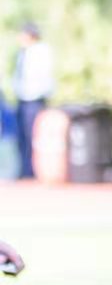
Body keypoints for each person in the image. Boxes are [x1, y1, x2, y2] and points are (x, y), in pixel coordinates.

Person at [11, 22, 53, 180]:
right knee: (22, 136)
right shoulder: (23, 52)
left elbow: (44, 77)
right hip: (22, 98)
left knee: (33, 135)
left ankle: (34, 171)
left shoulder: (41, 51)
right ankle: (24, 170)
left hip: (35, 99)